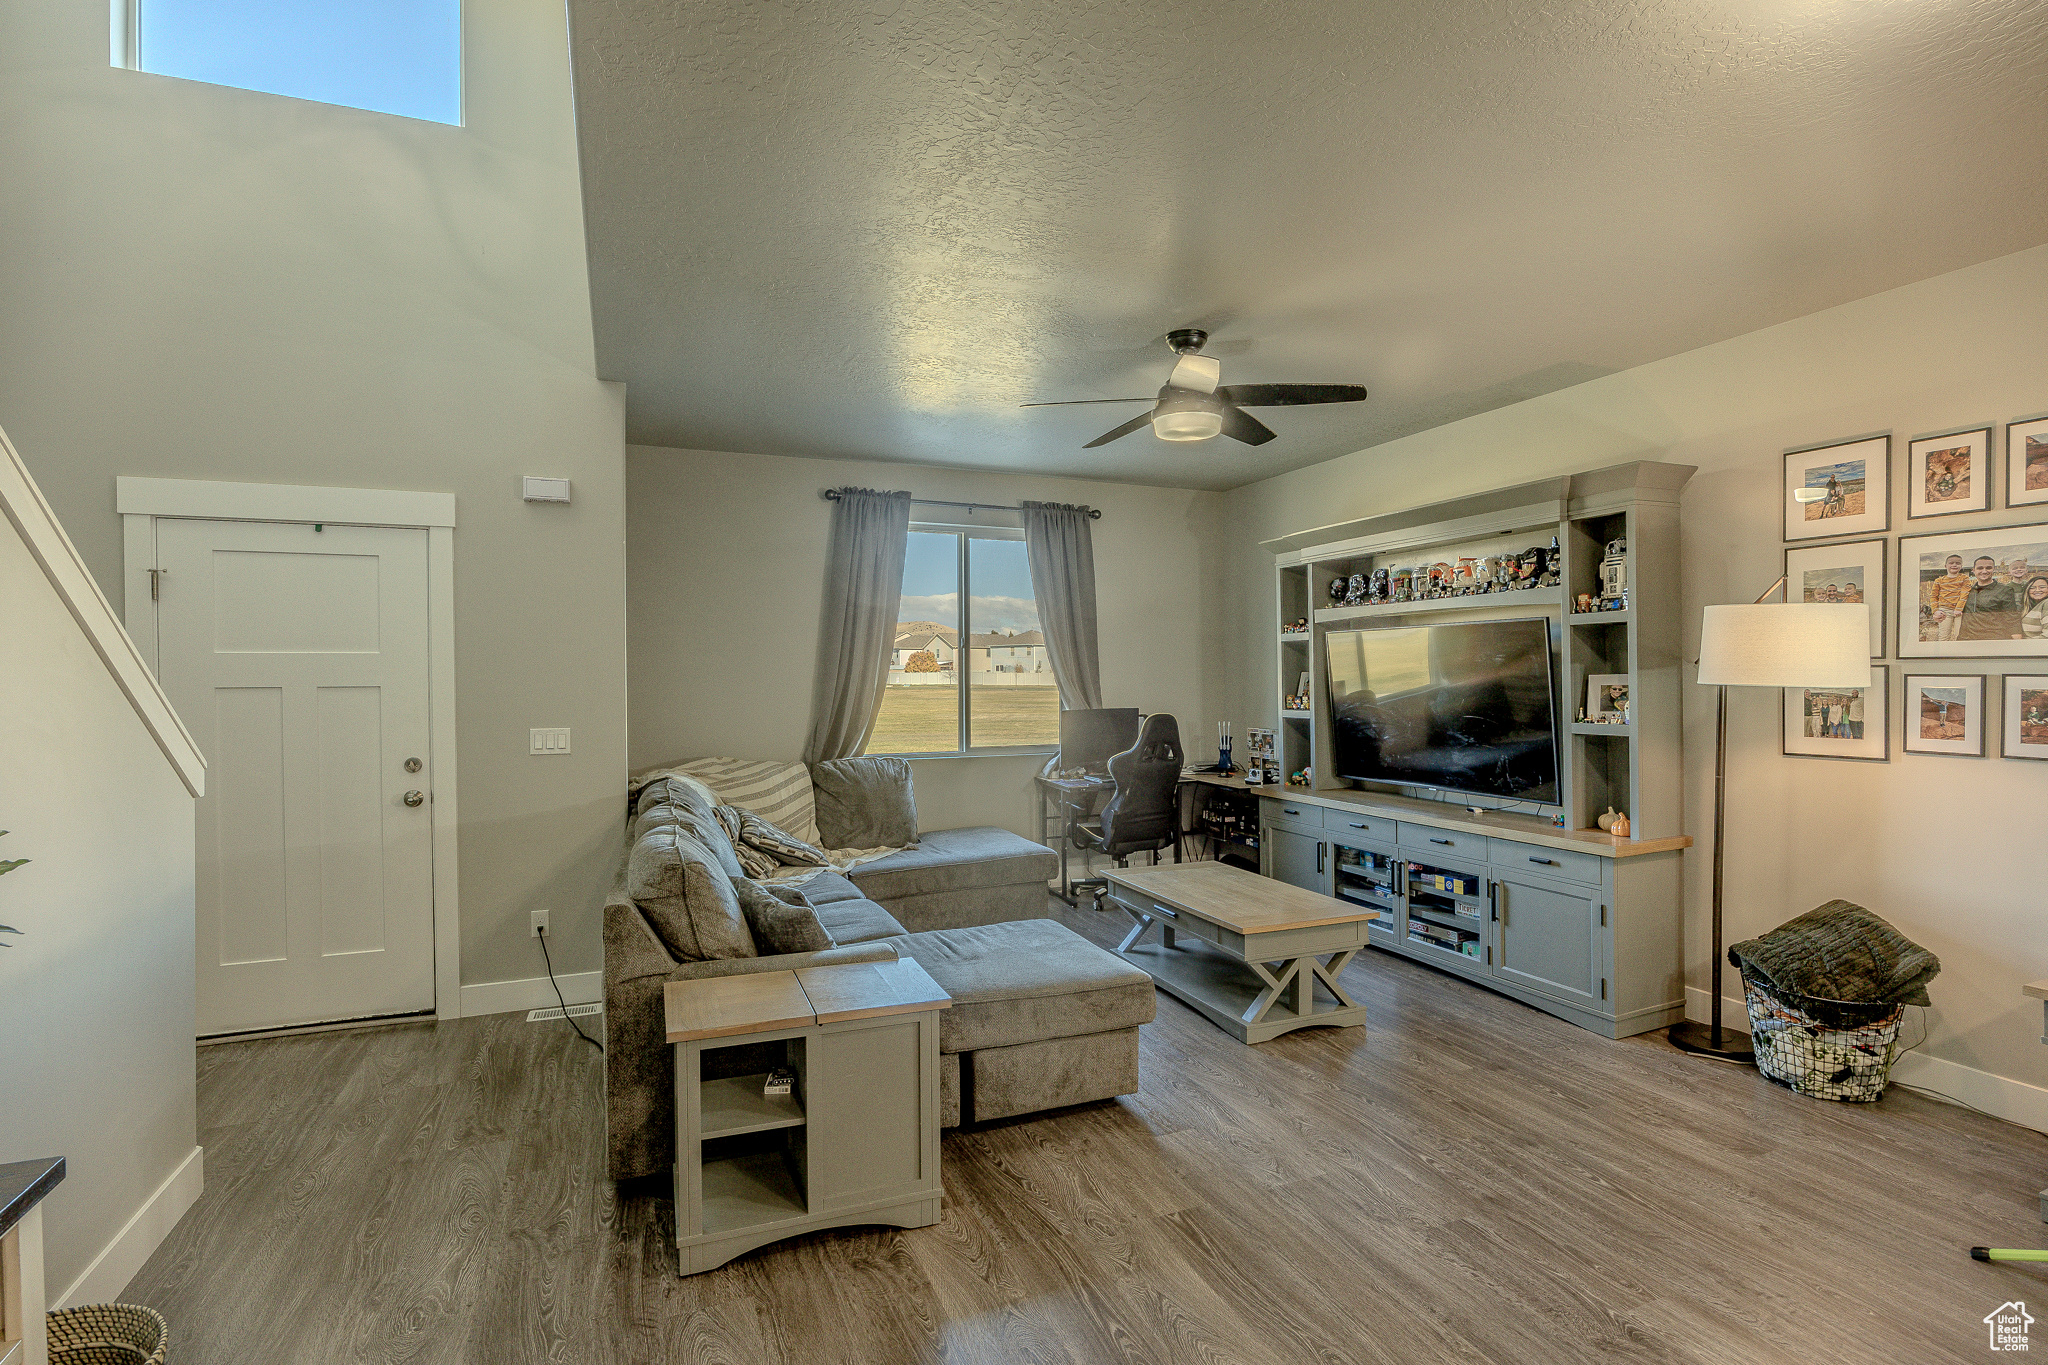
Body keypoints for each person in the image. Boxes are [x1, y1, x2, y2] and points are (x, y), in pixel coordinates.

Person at [1960, 554, 2023, 641]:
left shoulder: (2004, 590)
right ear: (1973, 570)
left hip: (1993, 639)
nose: (1984, 571)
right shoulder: (1967, 591)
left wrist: (2017, 640)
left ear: (1994, 569)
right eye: (1980, 568)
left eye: (1988, 568)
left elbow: (2011, 617)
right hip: (1967, 639)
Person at [1927, 554, 1972, 642]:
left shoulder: (1964, 578)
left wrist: (1959, 608)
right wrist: (1935, 611)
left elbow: (1965, 593)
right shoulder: (1939, 581)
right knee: (1943, 637)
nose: (1954, 565)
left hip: (1960, 611)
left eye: (1958, 563)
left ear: (1961, 566)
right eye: (1951, 563)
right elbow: (1933, 596)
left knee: (1960, 635)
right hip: (1944, 611)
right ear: (1945, 566)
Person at [2018, 575, 2048, 641]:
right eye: (2032, 588)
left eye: (2042, 587)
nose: (2037, 590)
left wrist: (2024, 643)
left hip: (2037, 648)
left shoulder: (2046, 603)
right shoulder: (2029, 606)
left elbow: (2046, 636)